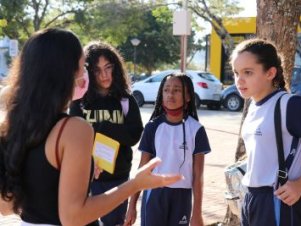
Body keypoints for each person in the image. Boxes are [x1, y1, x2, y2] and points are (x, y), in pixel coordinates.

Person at [0, 28, 182, 226]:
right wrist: (135, 184)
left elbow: (6, 206)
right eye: (83, 66)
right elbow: (74, 217)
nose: (85, 73)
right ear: (66, 72)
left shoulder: (11, 126)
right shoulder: (75, 128)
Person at [69, 41, 143, 226]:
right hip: (85, 177)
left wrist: (104, 127)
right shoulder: (79, 102)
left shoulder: (125, 100)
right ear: (88, 72)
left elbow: (134, 136)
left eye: (108, 67)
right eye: (97, 70)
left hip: (118, 178)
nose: (104, 75)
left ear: (116, 68)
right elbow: (73, 139)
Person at [230, 38, 301, 226]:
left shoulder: (289, 105)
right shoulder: (253, 106)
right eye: (236, 73)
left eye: (248, 72)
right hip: (251, 199)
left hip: (279, 201)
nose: (239, 80)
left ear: (270, 73)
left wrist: (299, 185)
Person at [124, 73, 211, 226]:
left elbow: (198, 176)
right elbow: (142, 169)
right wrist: (132, 206)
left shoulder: (197, 130)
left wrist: (197, 213)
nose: (170, 94)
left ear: (188, 96)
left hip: (182, 197)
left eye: (177, 90)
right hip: (155, 195)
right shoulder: (152, 127)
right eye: (166, 90)